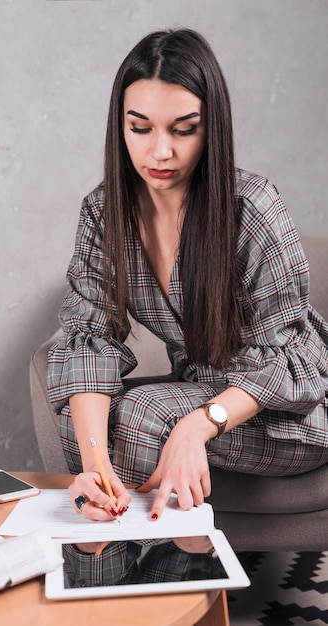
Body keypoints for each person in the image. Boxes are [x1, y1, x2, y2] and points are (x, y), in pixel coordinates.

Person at [47, 28, 328, 531]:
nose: (160, 152)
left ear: (210, 128)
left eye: (183, 129)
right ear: (120, 127)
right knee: (85, 415)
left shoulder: (253, 209)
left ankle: (151, 574)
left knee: (144, 414)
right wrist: (94, 464)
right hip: (198, 388)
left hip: (292, 410)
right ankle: (114, 533)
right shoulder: (104, 212)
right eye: (141, 128)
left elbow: (296, 363)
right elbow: (86, 341)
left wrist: (197, 426)